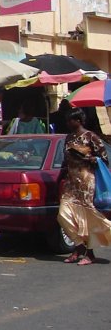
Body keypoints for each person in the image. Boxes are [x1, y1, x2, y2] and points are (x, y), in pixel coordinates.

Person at [57, 108, 111, 265]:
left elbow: (104, 159)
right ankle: (79, 245)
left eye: (70, 120)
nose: (68, 123)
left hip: (87, 181)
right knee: (63, 214)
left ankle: (89, 253)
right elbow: (65, 161)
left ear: (78, 121)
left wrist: (89, 158)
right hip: (71, 181)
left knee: (86, 216)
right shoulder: (69, 138)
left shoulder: (90, 136)